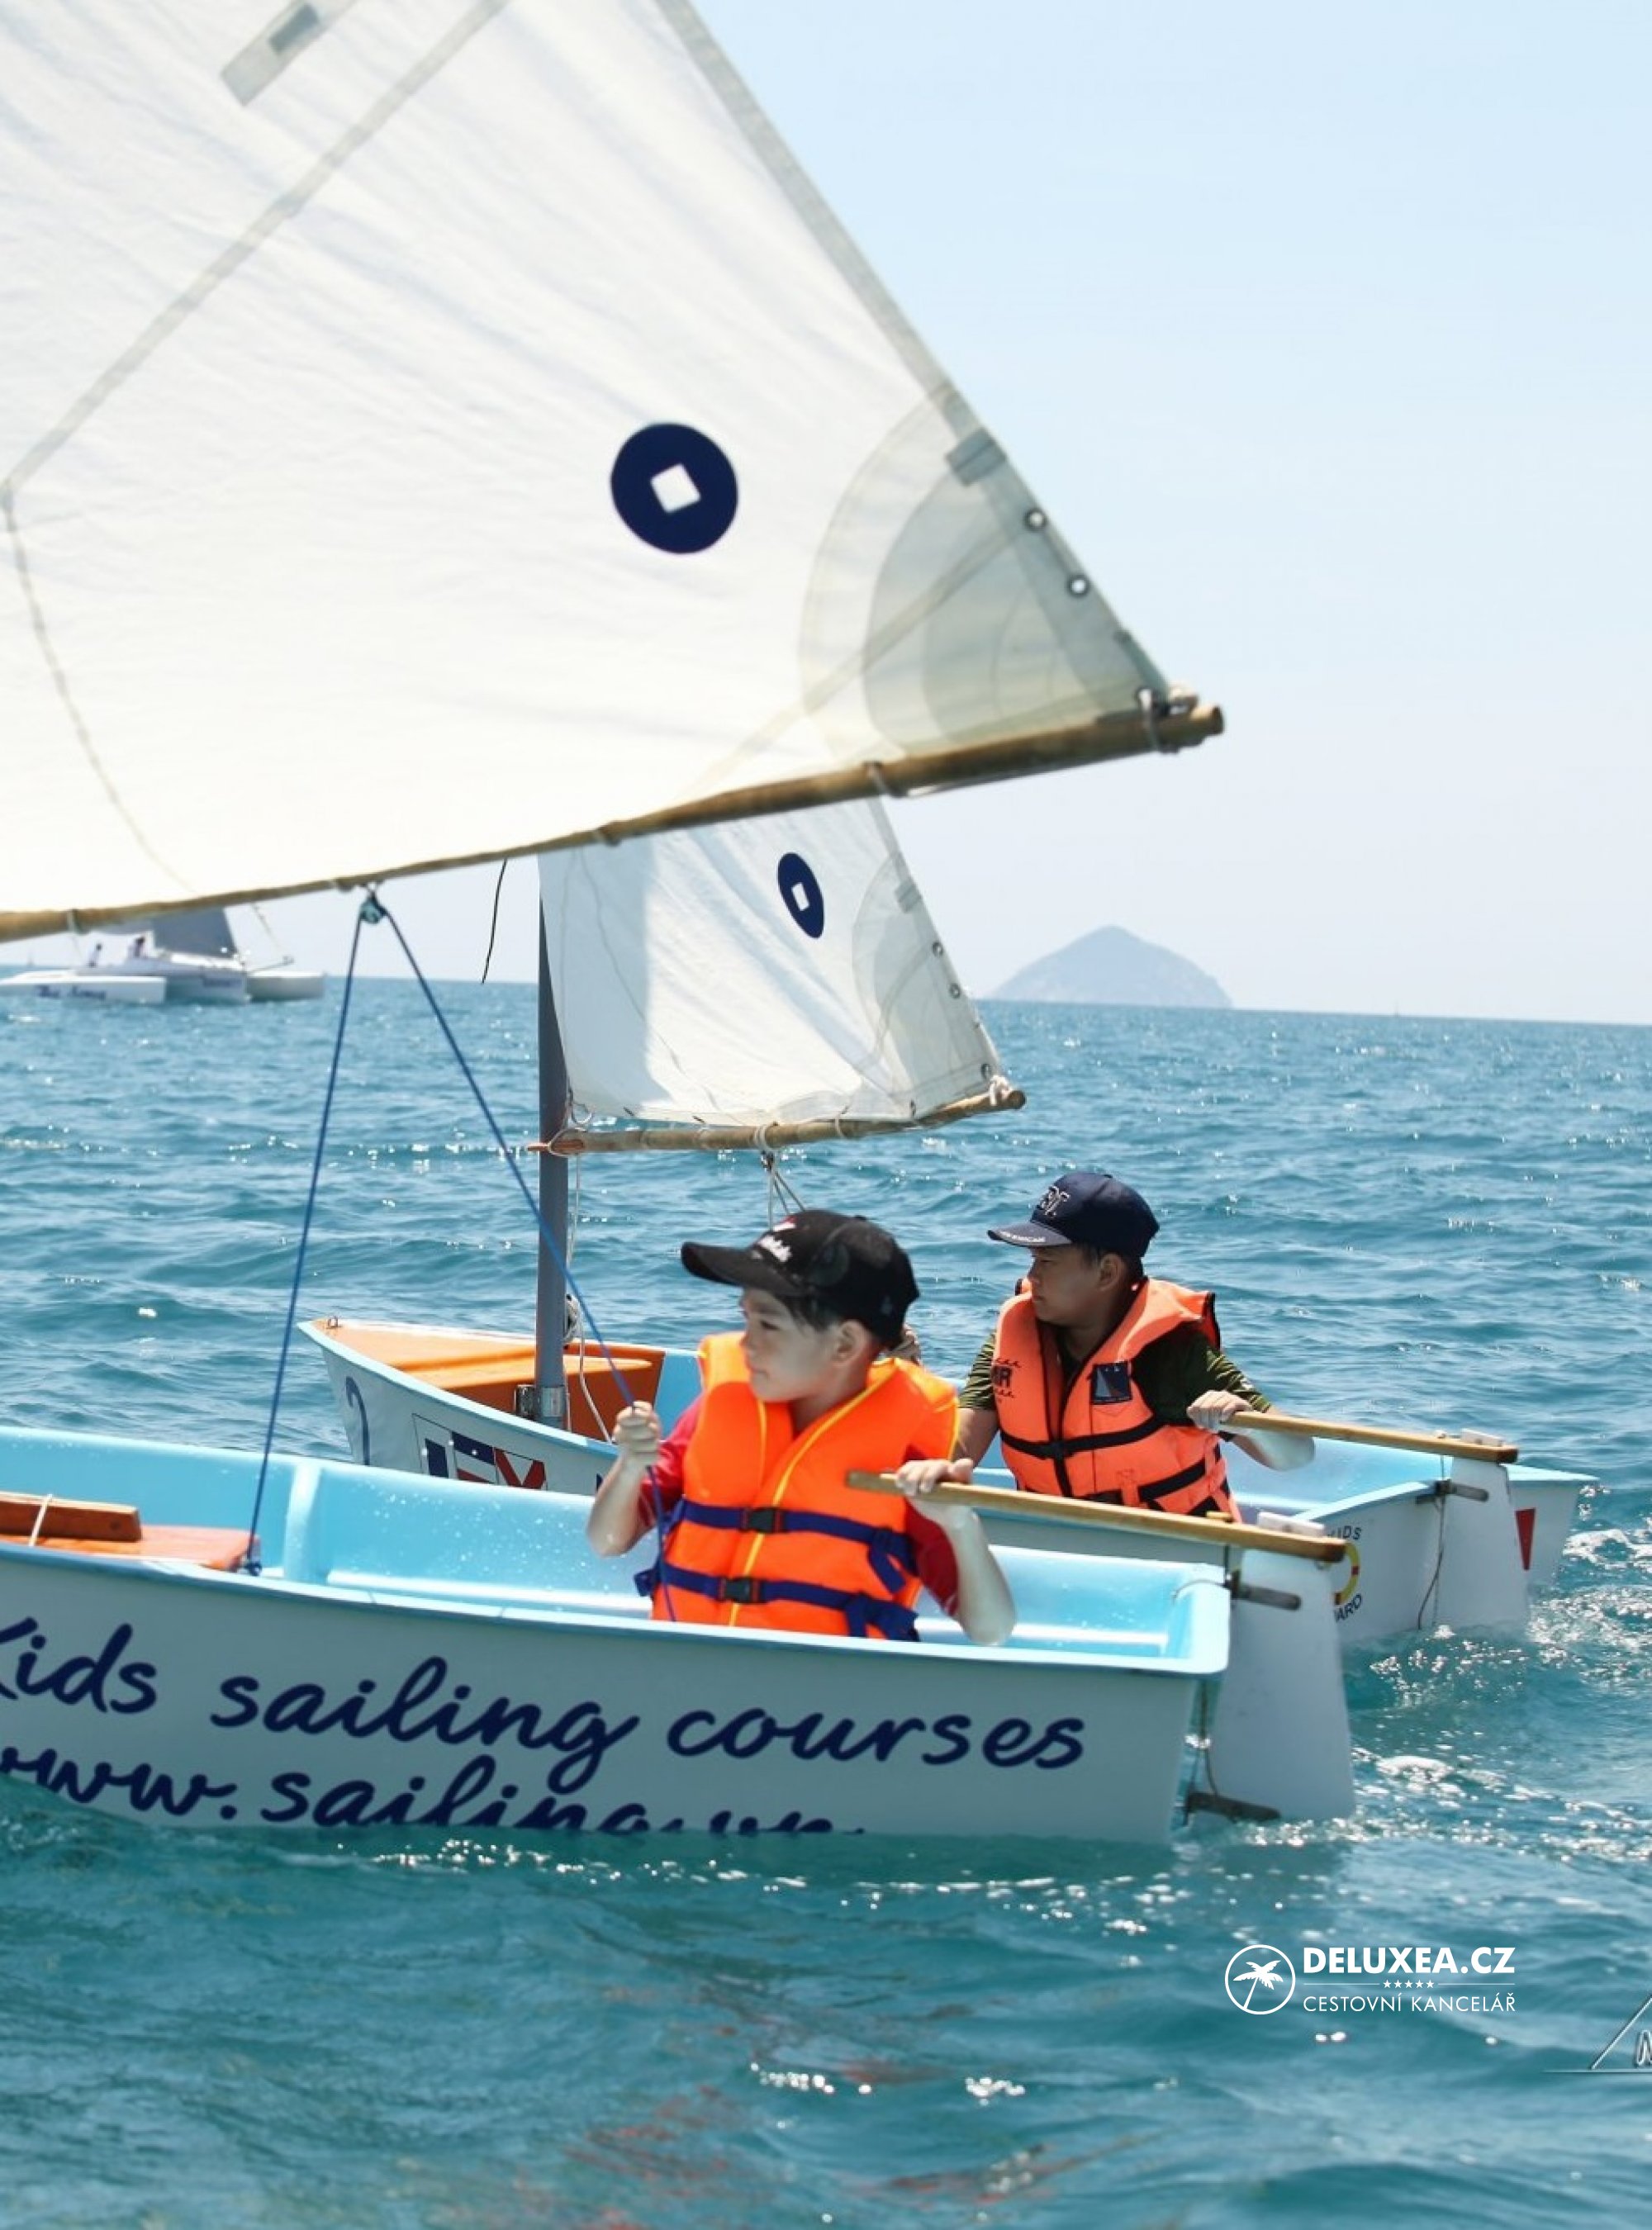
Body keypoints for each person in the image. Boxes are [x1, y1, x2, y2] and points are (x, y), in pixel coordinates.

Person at [586, 1209, 1015, 1645]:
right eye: (746, 1319)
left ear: (845, 1344)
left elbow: (992, 1630)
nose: (746, 1343)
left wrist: (959, 1524)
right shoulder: (716, 1408)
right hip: (691, 1663)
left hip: (822, 1681)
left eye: (768, 1324)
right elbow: (607, 1540)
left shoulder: (905, 1455)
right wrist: (631, 1466)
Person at [914, 1170, 1313, 1521]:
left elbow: (1297, 1454)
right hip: (1057, 1545)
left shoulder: (1170, 1352)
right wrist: (909, 1382)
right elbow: (958, 1451)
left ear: (1107, 1272)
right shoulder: (1012, 1337)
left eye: (1047, 1262)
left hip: (1177, 1553)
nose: (1031, 1277)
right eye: (1032, 1260)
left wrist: (1244, 1418)